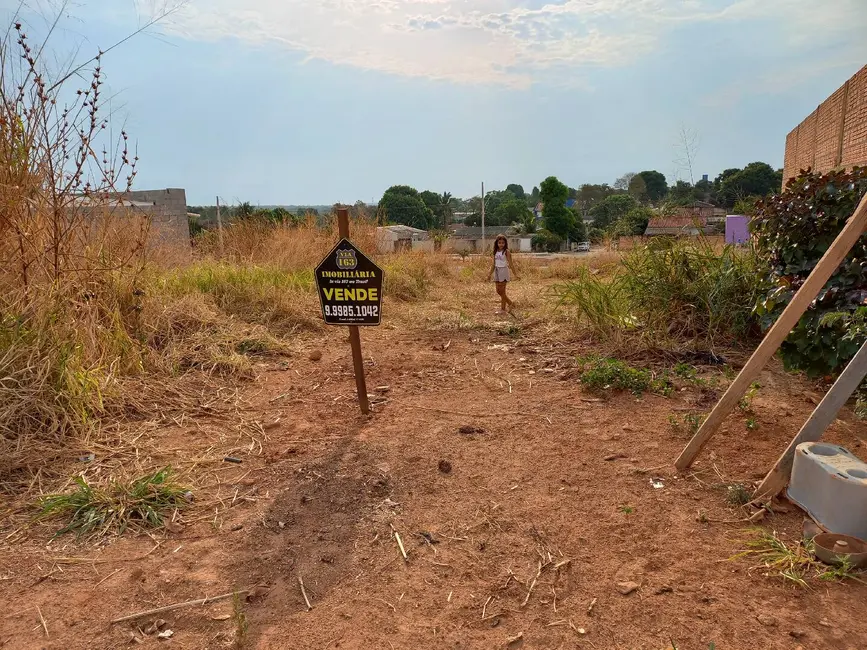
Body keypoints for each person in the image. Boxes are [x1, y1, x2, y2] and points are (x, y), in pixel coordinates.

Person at [486, 235, 517, 314]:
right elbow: (493, 264)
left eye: (503, 243)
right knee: (498, 291)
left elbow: (511, 264)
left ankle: (503, 309)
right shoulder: (495, 252)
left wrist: (515, 274)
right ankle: (511, 304)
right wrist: (489, 274)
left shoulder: (506, 252)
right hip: (497, 271)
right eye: (499, 243)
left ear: (505, 243)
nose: (501, 244)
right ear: (496, 243)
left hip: (503, 271)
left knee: (502, 291)